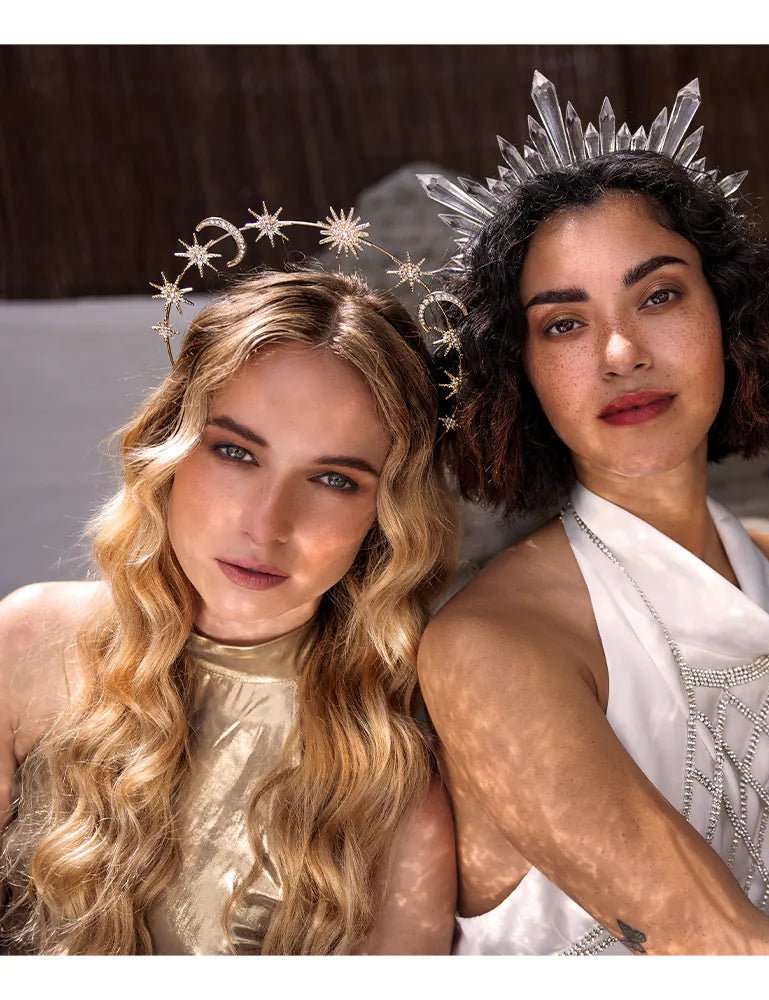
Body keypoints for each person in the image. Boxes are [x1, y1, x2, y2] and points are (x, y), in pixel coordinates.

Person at [416, 71, 769, 955]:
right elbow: (723, 948)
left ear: (729, 312)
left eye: (658, 296)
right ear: (519, 372)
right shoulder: (491, 645)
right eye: (564, 324)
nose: (621, 352)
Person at [0, 265, 458, 954]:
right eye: (236, 452)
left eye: (334, 479)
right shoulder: (30, 645)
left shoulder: (394, 784)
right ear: (171, 446)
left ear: (386, 515)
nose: (267, 525)